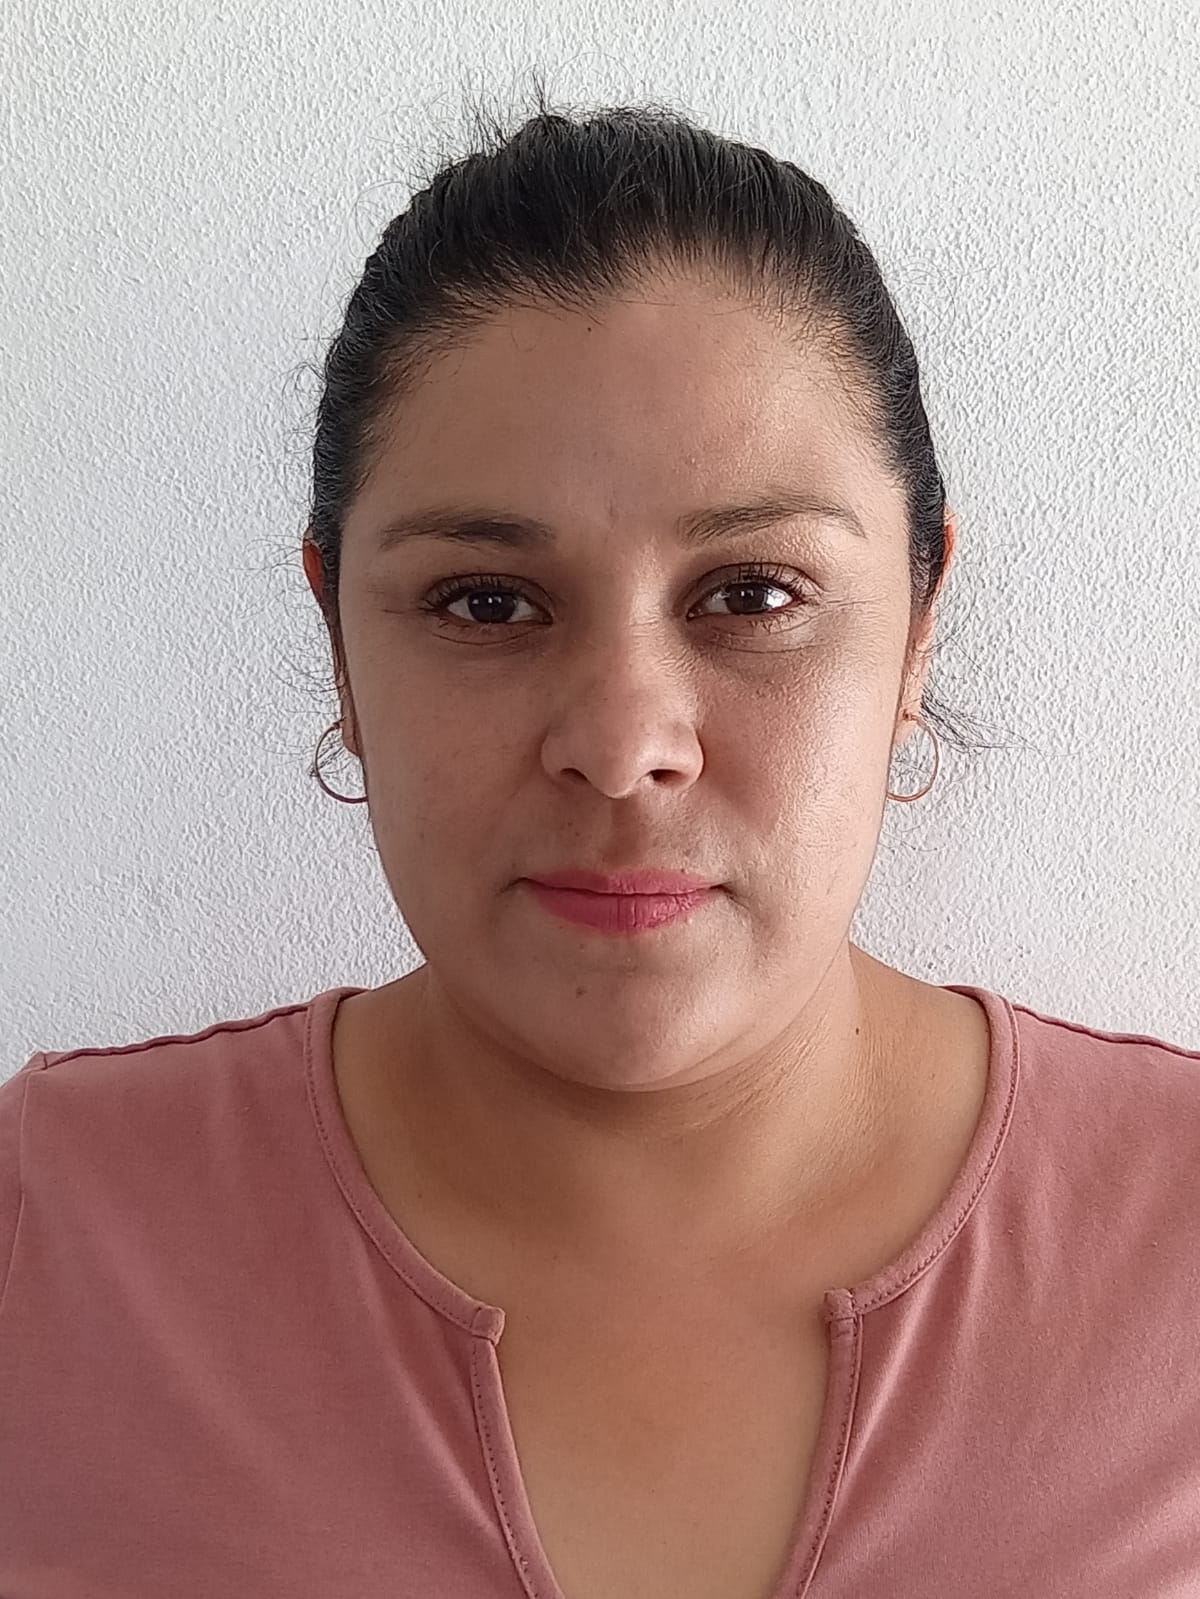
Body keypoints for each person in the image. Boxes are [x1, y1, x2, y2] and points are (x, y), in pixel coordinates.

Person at [2, 93, 1199, 1599]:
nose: (625, 744)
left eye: (753, 595)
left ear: (916, 628)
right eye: (486, 602)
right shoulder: (51, 1233)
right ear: (340, 643)